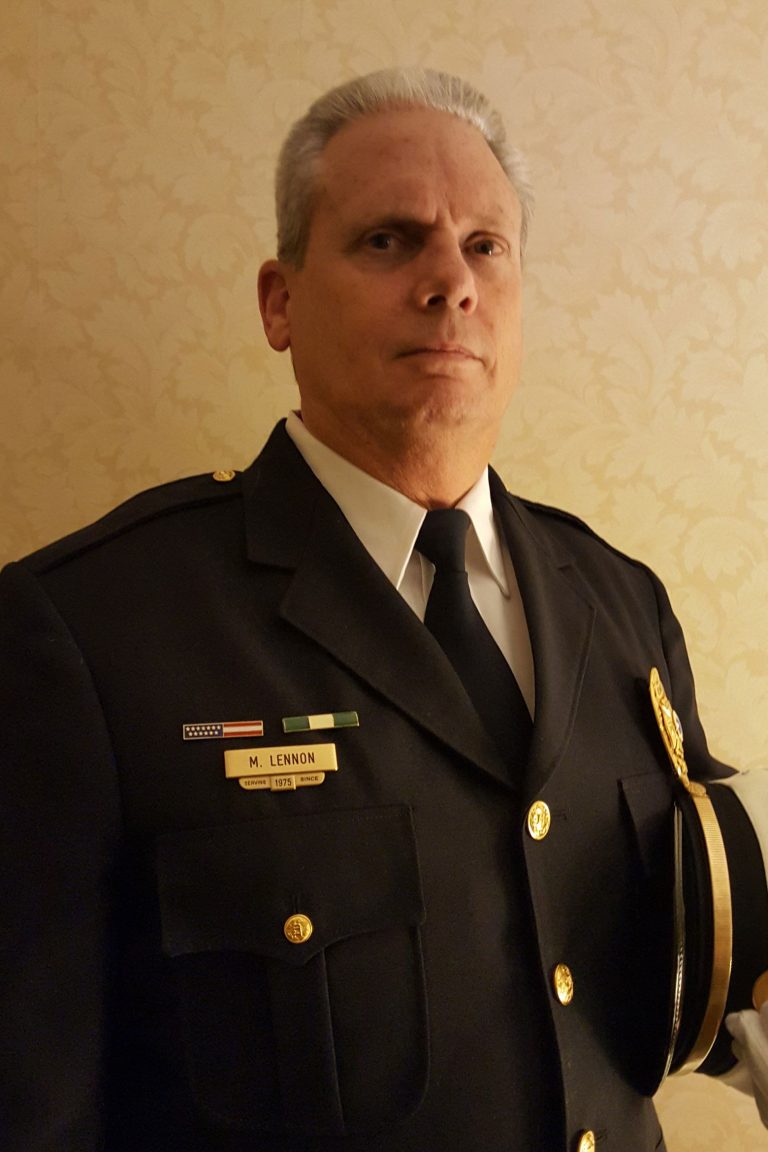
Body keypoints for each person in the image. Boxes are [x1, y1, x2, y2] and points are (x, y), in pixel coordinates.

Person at [0, 67, 766, 1152]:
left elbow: (709, 952)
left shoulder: (621, 600)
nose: (449, 281)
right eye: (389, 242)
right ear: (280, 298)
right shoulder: (88, 632)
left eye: (485, 247)